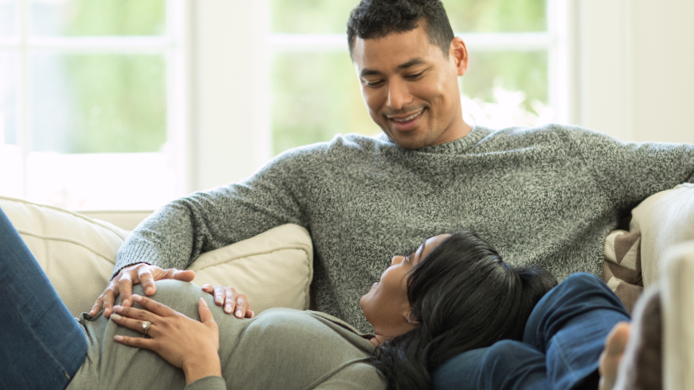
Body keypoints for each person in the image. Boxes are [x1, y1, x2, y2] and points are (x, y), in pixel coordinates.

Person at [93, 0, 694, 335]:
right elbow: (192, 213)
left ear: (457, 57)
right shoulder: (322, 173)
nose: (396, 101)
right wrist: (139, 261)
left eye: (413, 73)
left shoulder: (564, 156)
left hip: (537, 366)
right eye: (374, 81)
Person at [3, 205, 660, 390]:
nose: (394, 257)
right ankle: (599, 373)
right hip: (78, 345)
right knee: (569, 303)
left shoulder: (358, 382)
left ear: (420, 309)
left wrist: (204, 362)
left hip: (73, 374)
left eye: (412, 259)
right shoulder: (361, 347)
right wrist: (198, 292)